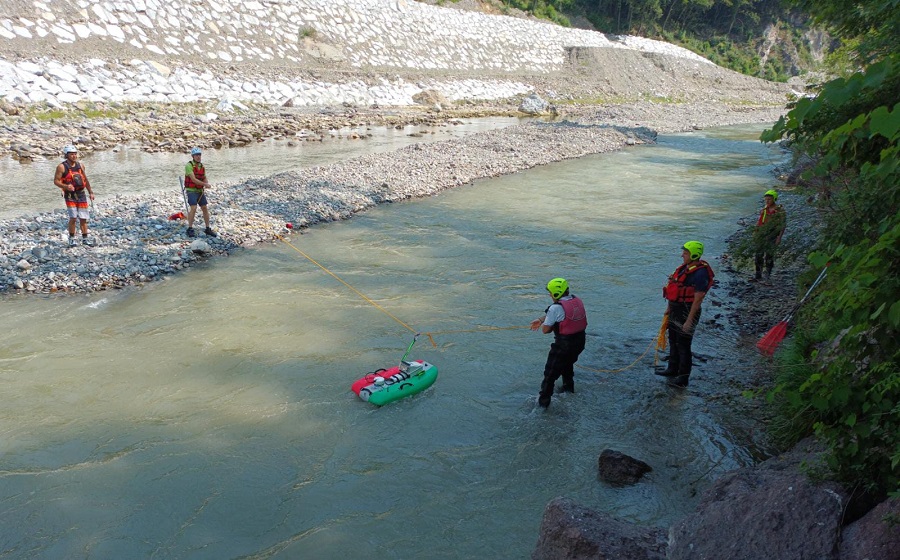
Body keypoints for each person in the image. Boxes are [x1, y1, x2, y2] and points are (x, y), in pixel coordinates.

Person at [658, 241, 714, 388]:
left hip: (688, 311)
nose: (682, 255)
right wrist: (669, 308)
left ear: (694, 254)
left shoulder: (700, 273)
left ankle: (683, 378)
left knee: (683, 344)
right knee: (673, 340)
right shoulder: (684, 268)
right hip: (676, 309)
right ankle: (672, 369)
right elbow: (674, 288)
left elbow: (698, 299)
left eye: (686, 253)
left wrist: (689, 321)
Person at [530, 278, 588, 408]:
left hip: (563, 346)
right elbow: (562, 314)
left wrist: (545, 323)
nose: (549, 295)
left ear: (556, 293)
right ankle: (568, 391)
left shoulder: (555, 308)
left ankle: (542, 405)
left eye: (550, 292)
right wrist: (541, 319)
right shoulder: (576, 300)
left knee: (549, 375)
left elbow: (546, 330)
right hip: (579, 343)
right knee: (567, 366)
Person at [53, 145, 95, 247]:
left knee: (83, 218)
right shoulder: (61, 167)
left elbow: (85, 179)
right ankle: (72, 239)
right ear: (66, 155)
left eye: (75, 154)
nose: (74, 156)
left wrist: (90, 192)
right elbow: (56, 181)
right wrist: (65, 186)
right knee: (73, 217)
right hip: (70, 195)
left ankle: (85, 238)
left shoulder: (80, 165)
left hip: (81, 194)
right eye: (71, 154)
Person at [752, 189, 786, 282]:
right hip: (762, 233)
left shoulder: (779, 211)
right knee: (758, 254)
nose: (767, 201)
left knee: (769, 255)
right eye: (766, 199)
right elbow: (759, 222)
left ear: (774, 199)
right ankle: (758, 274)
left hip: (772, 234)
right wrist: (755, 232)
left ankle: (767, 274)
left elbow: (783, 225)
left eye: (769, 199)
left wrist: (779, 238)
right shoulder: (764, 209)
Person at [184, 147, 217, 238]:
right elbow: (193, 180)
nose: (198, 157)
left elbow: (204, 177)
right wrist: (204, 184)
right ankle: (190, 228)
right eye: (196, 155)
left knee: (204, 208)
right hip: (191, 191)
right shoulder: (189, 166)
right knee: (193, 208)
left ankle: (207, 228)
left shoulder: (202, 166)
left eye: (199, 155)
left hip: (200, 190)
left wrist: (206, 183)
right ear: (193, 156)